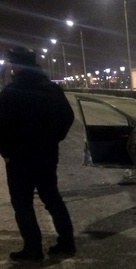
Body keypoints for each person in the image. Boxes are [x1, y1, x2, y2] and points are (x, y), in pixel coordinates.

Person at [0, 46, 76, 261]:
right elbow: (67, 117)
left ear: (16, 65)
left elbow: (2, 126)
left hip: (19, 158)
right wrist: (53, 139)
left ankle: (33, 249)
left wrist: (6, 152)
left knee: (23, 203)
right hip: (46, 154)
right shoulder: (52, 89)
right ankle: (67, 242)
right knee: (51, 197)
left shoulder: (11, 92)